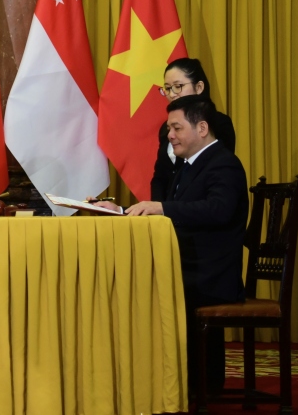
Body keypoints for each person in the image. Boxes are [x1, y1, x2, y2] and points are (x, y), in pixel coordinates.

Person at [98, 95, 249, 398]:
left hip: (209, 273)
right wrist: (122, 211)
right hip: (189, 266)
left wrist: (162, 208)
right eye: (169, 128)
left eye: (177, 128)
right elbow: (170, 210)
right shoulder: (187, 166)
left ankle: (170, 383)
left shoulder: (224, 163)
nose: (170, 135)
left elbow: (218, 210)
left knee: (139, 283)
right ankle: (155, 380)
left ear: (202, 128)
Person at [151, 58, 236, 201]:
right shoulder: (166, 129)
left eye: (178, 86)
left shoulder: (219, 123)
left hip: (199, 208)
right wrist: (156, 210)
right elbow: (160, 177)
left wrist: (168, 209)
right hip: (167, 211)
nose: (172, 94)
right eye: (167, 88)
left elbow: (219, 171)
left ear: (199, 87)